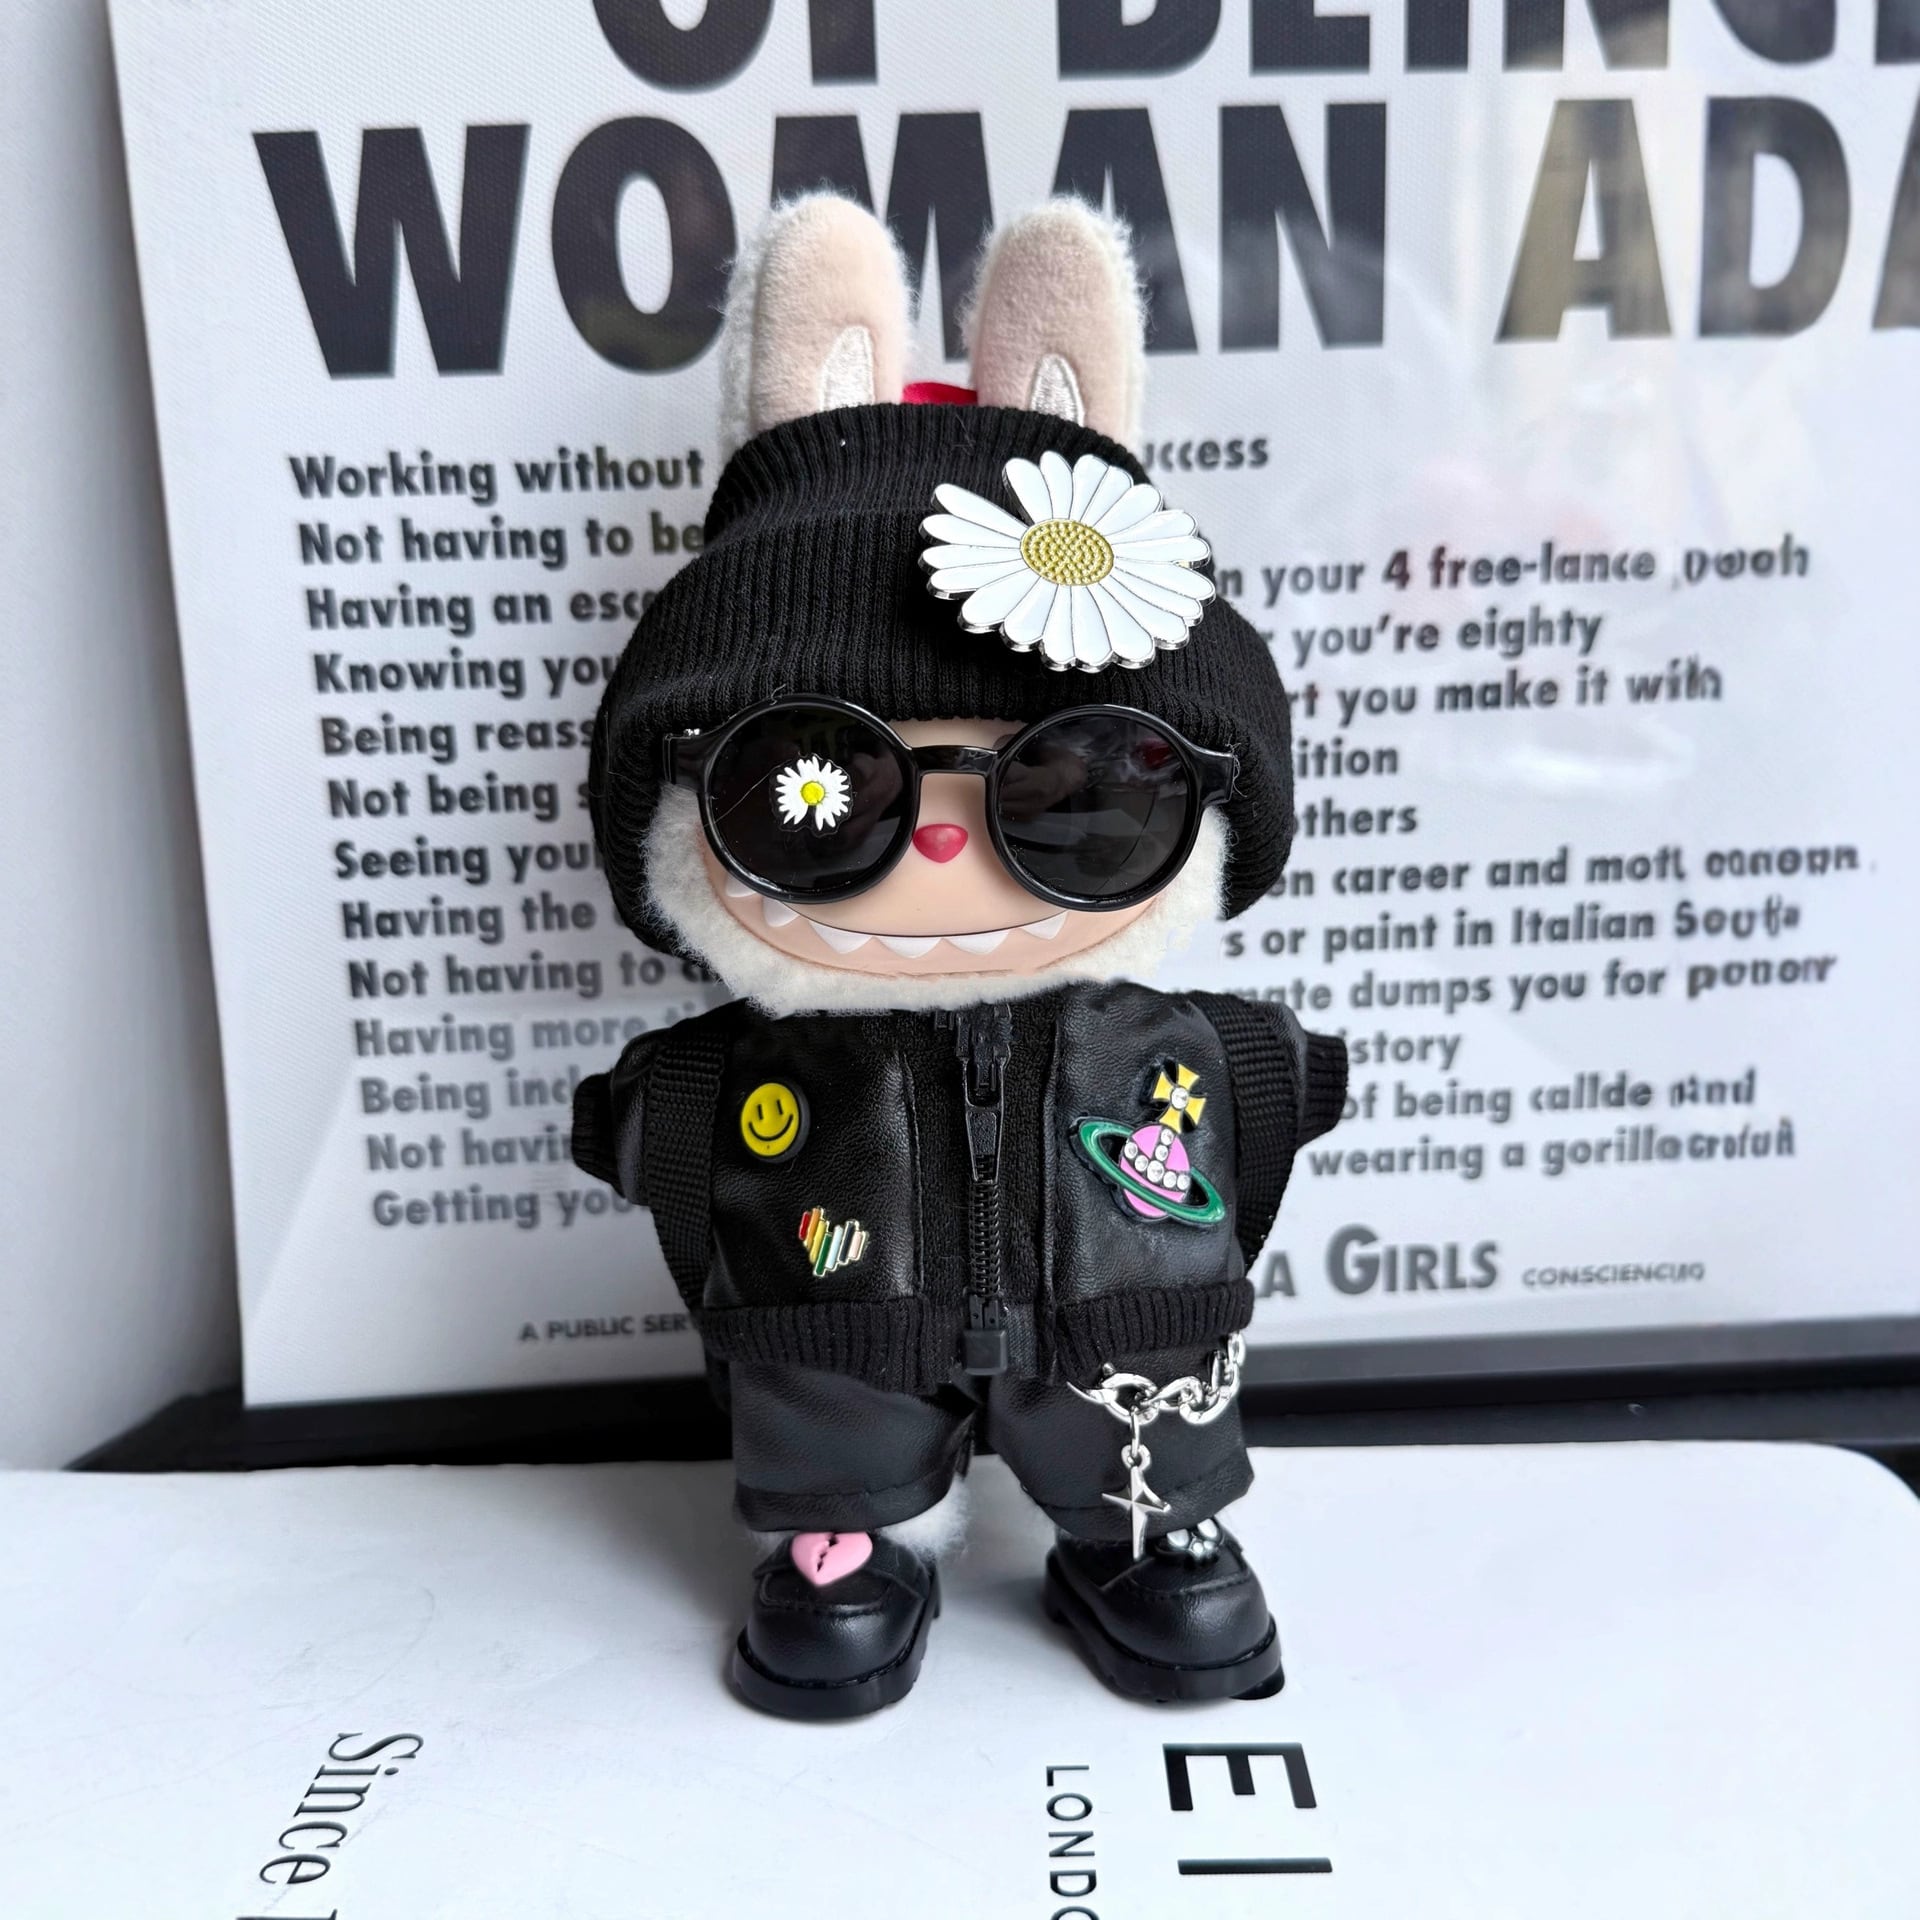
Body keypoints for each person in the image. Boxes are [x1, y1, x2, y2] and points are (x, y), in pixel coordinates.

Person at [572, 194, 1345, 1719]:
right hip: (837, 1315)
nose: (942, 848)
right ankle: (847, 1541)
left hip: (1122, 1315)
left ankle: (1142, 1528)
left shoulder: (1176, 1044)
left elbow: (1262, 1113)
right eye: (822, 794)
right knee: (829, 1418)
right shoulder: (744, 1065)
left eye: (1076, 797)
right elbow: (666, 1141)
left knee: (1135, 1418)